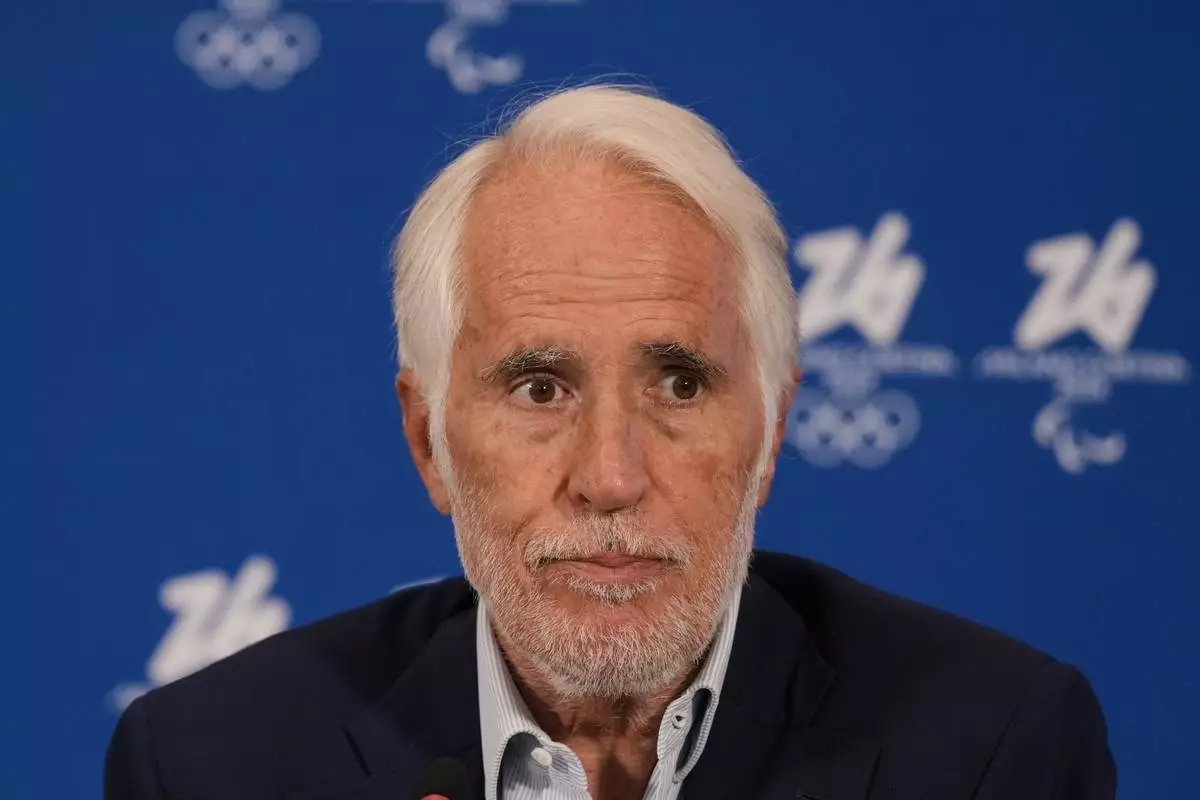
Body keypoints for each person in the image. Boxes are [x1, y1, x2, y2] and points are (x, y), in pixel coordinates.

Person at [104, 84, 1116, 800]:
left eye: (679, 381)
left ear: (769, 434)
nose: (612, 476)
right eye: (539, 386)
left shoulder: (994, 745)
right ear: (429, 441)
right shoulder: (213, 762)